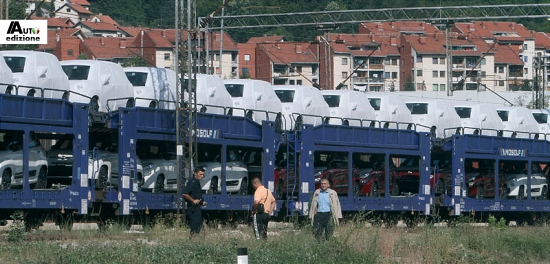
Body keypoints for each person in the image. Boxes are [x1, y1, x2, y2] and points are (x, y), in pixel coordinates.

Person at [182, 167, 207, 236]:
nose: (202, 176)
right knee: (194, 227)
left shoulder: (197, 183)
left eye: (203, 175)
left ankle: (196, 241)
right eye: (200, 174)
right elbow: (185, 194)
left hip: (197, 208)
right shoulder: (192, 182)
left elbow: (197, 196)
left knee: (199, 226)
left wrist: (202, 202)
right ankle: (193, 241)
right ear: (195, 174)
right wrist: (192, 200)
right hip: (192, 209)